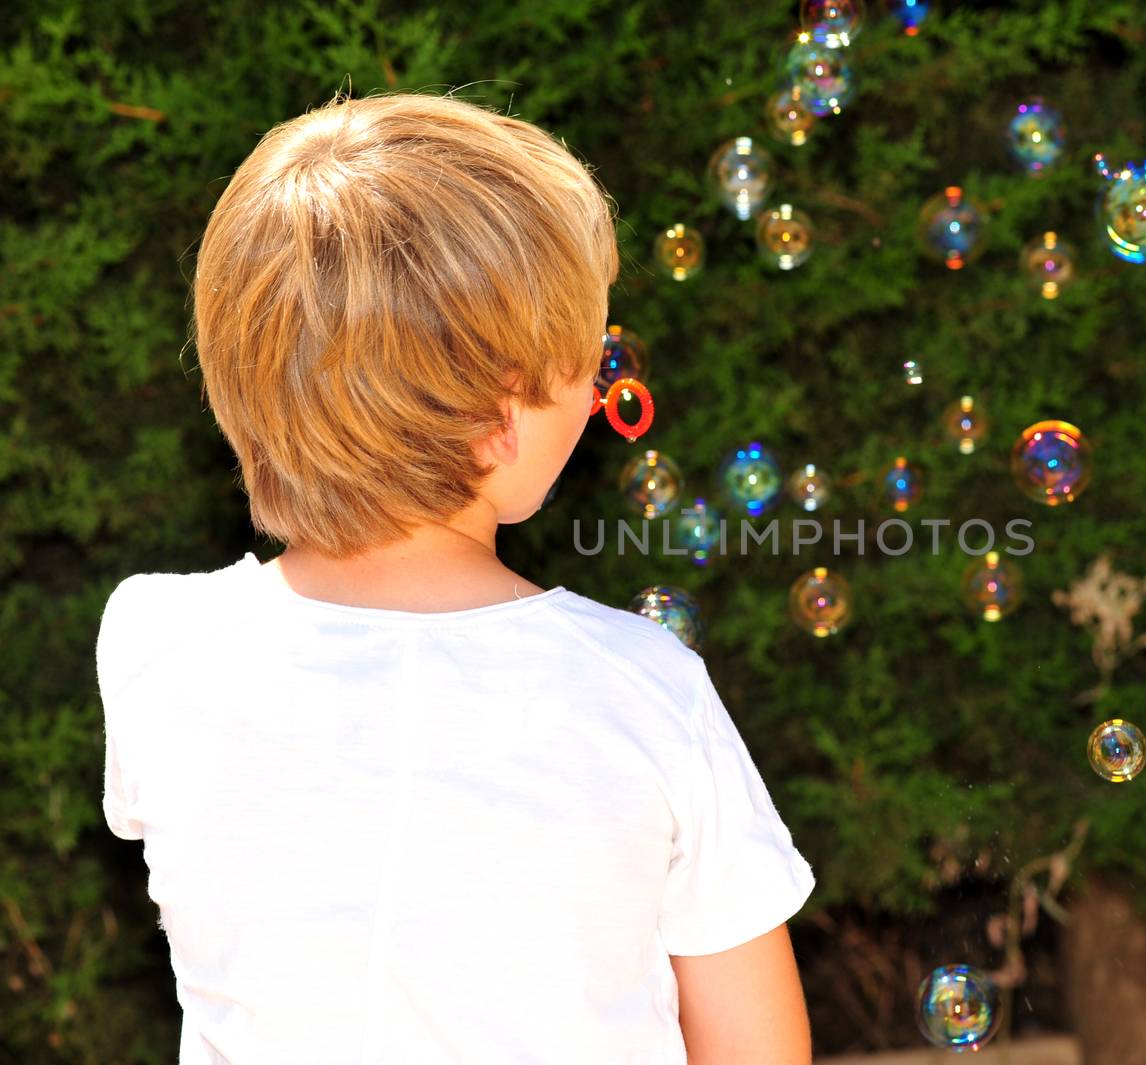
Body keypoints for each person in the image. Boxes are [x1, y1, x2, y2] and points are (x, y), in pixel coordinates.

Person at [96, 88, 815, 1064]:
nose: (602, 397)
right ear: (502, 422)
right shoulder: (645, 691)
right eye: (587, 366)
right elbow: (755, 1047)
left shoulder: (156, 646)